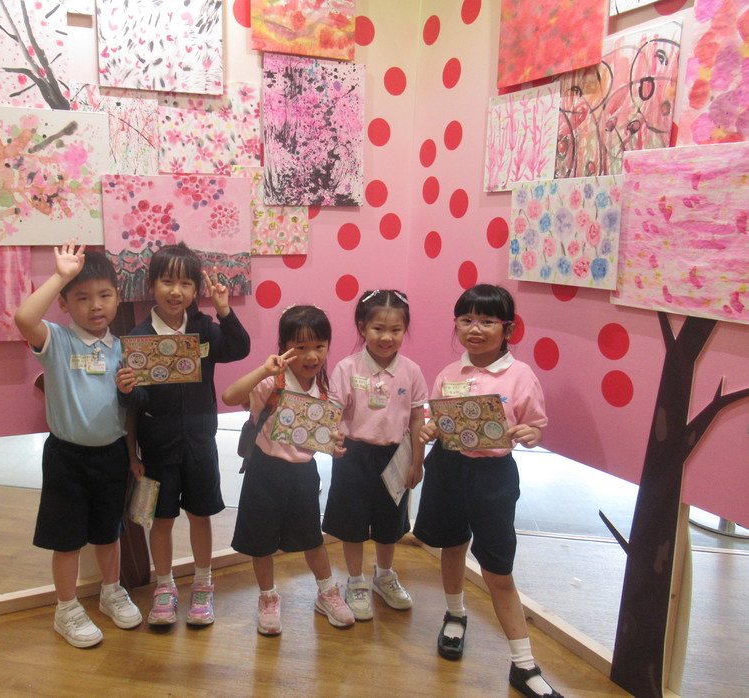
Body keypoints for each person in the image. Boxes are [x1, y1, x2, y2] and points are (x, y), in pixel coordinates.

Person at [414, 284, 562, 698]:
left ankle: (523, 664)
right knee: (451, 546)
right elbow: (436, 418)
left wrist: (530, 434)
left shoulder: (521, 375)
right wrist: (429, 429)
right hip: (447, 468)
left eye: (487, 321)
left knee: (498, 569)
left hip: (493, 475)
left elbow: (535, 425)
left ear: (507, 329)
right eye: (466, 320)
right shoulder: (449, 373)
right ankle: (455, 615)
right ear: (456, 325)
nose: (475, 329)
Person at [14, 241, 141, 649]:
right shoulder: (57, 340)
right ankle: (66, 608)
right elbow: (24, 318)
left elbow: (131, 411)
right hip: (66, 457)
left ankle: (111, 591)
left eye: (104, 295)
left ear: (118, 298)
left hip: (112, 455)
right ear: (65, 304)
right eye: (82, 298)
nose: (95, 306)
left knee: (109, 532)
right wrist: (60, 276)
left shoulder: (125, 350)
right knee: (66, 538)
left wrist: (132, 453)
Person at [116, 242, 250, 627]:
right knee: (160, 519)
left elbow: (239, 348)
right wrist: (127, 390)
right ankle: (164, 585)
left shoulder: (203, 329)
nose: (176, 291)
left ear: (195, 290)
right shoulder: (140, 337)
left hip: (200, 444)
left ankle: (204, 583)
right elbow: (136, 402)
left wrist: (224, 309)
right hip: (157, 448)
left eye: (186, 284)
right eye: (167, 282)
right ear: (151, 285)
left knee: (200, 514)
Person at [222, 305, 355, 636]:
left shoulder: (325, 390)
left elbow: (325, 435)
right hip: (264, 472)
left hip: (303, 474)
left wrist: (335, 444)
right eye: (301, 346)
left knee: (312, 538)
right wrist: (263, 369)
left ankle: (327, 592)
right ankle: (268, 597)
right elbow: (229, 396)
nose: (311, 355)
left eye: (319, 346)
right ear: (285, 346)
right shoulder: (271, 382)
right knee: (261, 542)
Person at [322, 289, 428, 621]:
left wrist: (417, 461)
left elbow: (417, 419)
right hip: (353, 456)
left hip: (396, 457)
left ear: (405, 329)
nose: (386, 337)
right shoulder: (346, 367)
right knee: (352, 523)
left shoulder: (411, 371)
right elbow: (333, 412)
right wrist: (331, 437)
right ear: (362, 327)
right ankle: (355, 581)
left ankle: (384, 575)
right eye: (378, 328)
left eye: (396, 329)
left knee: (389, 523)